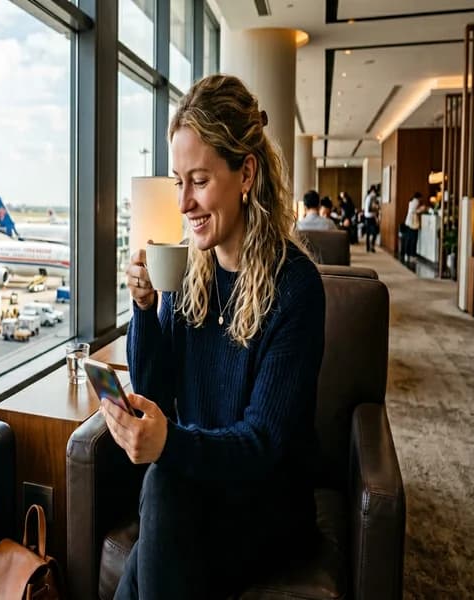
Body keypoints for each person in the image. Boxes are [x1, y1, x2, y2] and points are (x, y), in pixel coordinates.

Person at [106, 74, 324, 600]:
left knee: (162, 491)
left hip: (266, 505)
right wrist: (144, 309)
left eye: (199, 180)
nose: (183, 204)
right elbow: (156, 391)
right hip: (197, 487)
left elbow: (263, 443)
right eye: (178, 181)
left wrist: (170, 443)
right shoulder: (188, 272)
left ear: (245, 173)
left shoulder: (295, 288)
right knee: (163, 492)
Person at [403, 192, 427, 261]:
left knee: (409, 239)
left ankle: (407, 254)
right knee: (413, 239)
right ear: (419, 197)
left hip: (409, 222)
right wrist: (422, 209)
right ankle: (412, 255)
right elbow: (413, 211)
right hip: (413, 223)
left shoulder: (411, 201)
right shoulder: (416, 201)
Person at [363, 185, 380, 252]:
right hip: (372, 216)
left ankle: (368, 247)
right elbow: (374, 208)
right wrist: (377, 217)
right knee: (375, 232)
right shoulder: (373, 197)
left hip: (366, 216)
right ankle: (372, 246)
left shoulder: (367, 197)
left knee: (368, 232)